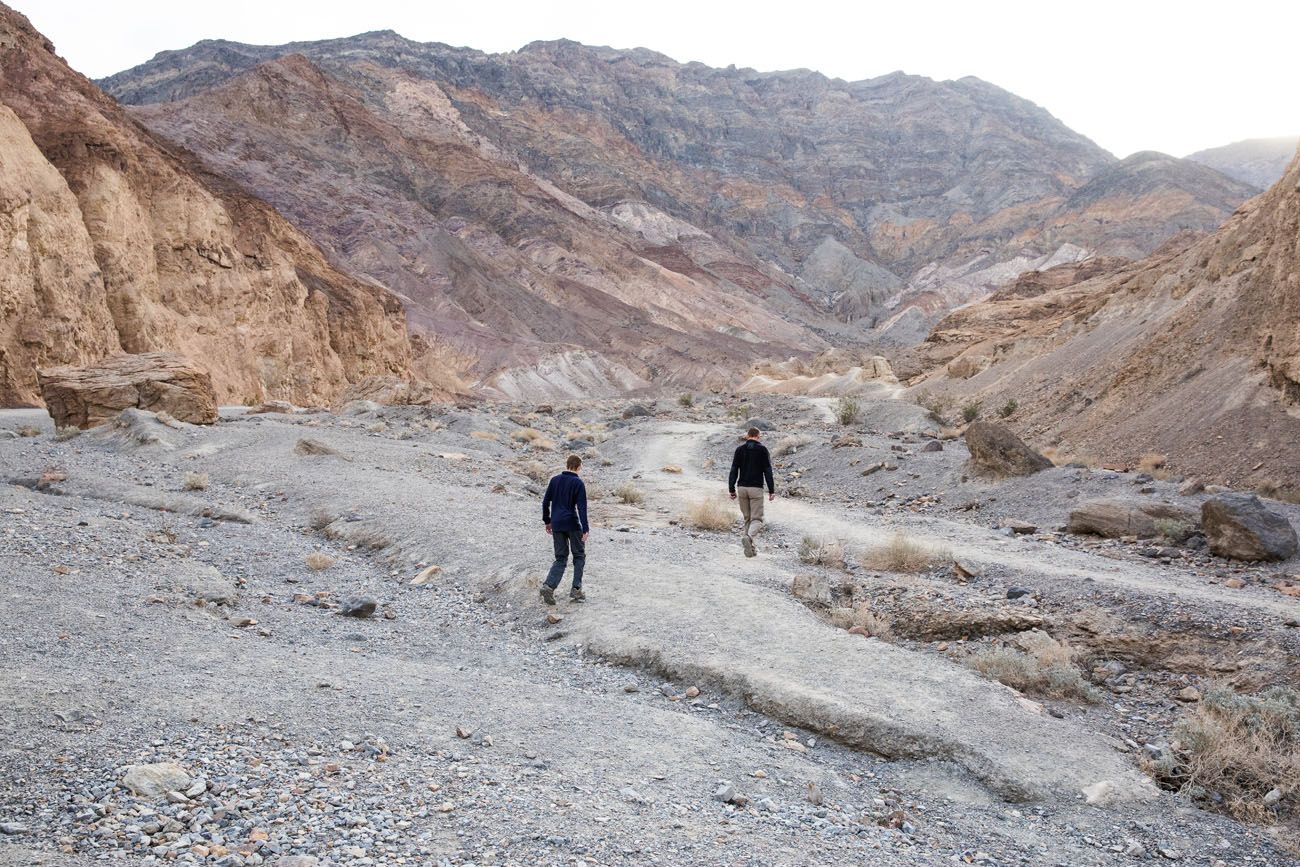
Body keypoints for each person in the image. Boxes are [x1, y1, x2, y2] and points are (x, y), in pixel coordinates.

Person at [541, 454, 589, 604]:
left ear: (567, 464)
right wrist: (585, 529)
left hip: (557, 524)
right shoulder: (578, 483)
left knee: (561, 558)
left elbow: (545, 502)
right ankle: (576, 590)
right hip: (572, 524)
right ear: (579, 466)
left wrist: (547, 521)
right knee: (579, 556)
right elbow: (582, 508)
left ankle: (549, 586)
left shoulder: (554, 480)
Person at [728, 427, 775, 557]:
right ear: (758, 436)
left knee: (747, 518)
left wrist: (731, 488)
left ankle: (750, 549)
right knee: (757, 520)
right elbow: (768, 471)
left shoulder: (739, 450)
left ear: (748, 435)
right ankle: (748, 538)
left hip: (742, 488)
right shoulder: (762, 450)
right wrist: (771, 490)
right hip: (756, 489)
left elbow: (733, 470)